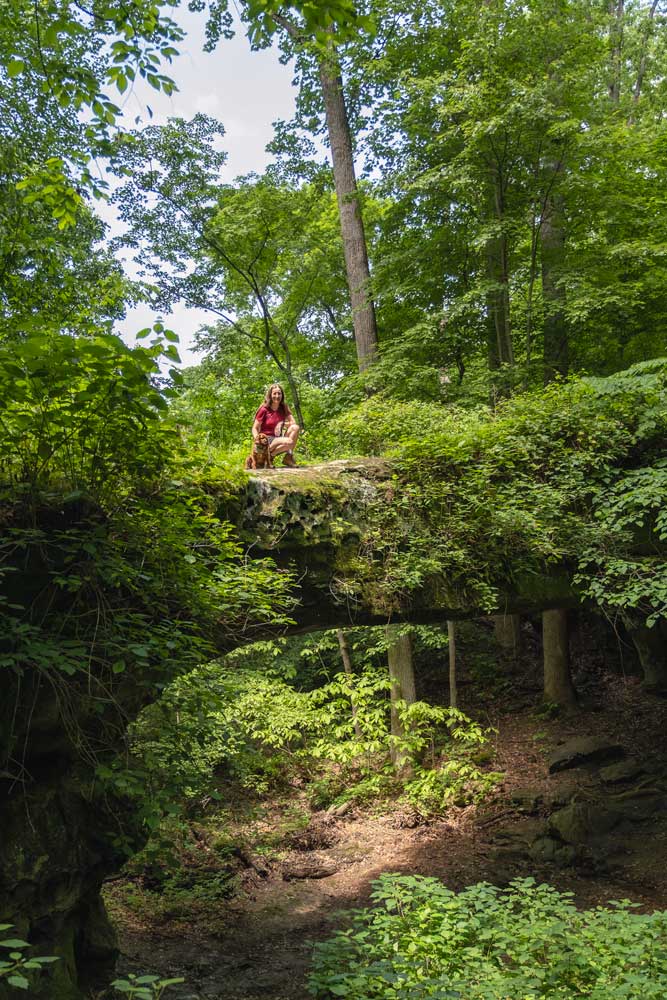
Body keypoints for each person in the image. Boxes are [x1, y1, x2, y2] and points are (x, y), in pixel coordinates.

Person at [252, 383, 300, 467]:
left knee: (295, 428)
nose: (277, 396)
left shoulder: (283, 407)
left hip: (277, 438)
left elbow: (293, 422)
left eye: (279, 393)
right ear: (270, 395)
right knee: (289, 442)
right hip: (266, 439)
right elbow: (254, 428)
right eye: (274, 393)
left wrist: (282, 424)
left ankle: (285, 457)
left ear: (282, 395)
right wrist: (257, 441)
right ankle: (268, 453)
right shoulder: (264, 409)